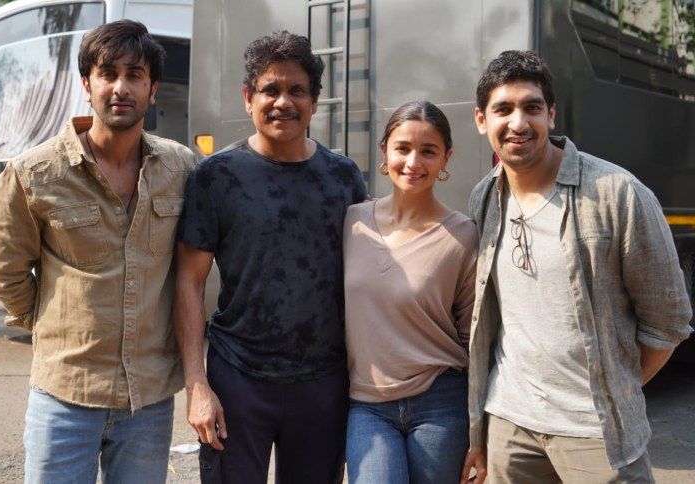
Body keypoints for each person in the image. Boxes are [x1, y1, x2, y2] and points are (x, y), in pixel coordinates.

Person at [460, 50, 693, 484]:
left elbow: (669, 323)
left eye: (531, 107)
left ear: (551, 114)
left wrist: (614, 391)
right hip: (510, 425)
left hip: (596, 434)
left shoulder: (617, 194)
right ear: (481, 120)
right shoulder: (484, 198)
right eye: (502, 110)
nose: (517, 123)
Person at [0, 20, 198, 483]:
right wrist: (53, 326)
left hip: (148, 399)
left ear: (152, 89)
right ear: (87, 84)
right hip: (65, 395)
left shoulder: (179, 167)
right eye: (107, 73)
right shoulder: (34, 174)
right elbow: (6, 274)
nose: (121, 86)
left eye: (134, 75)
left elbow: (192, 268)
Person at [174, 30, 367, 483]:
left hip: (323, 382)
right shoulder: (216, 176)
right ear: (248, 97)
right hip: (237, 379)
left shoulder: (343, 178)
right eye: (270, 90)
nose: (283, 102)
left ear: (315, 101)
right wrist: (197, 385)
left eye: (297, 90)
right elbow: (188, 282)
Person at [343, 101, 477, 483]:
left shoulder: (463, 235)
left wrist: (480, 427)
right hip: (367, 405)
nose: (413, 162)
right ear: (384, 151)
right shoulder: (352, 222)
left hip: (440, 402)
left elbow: (472, 336)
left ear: (445, 158)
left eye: (428, 151)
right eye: (402, 148)